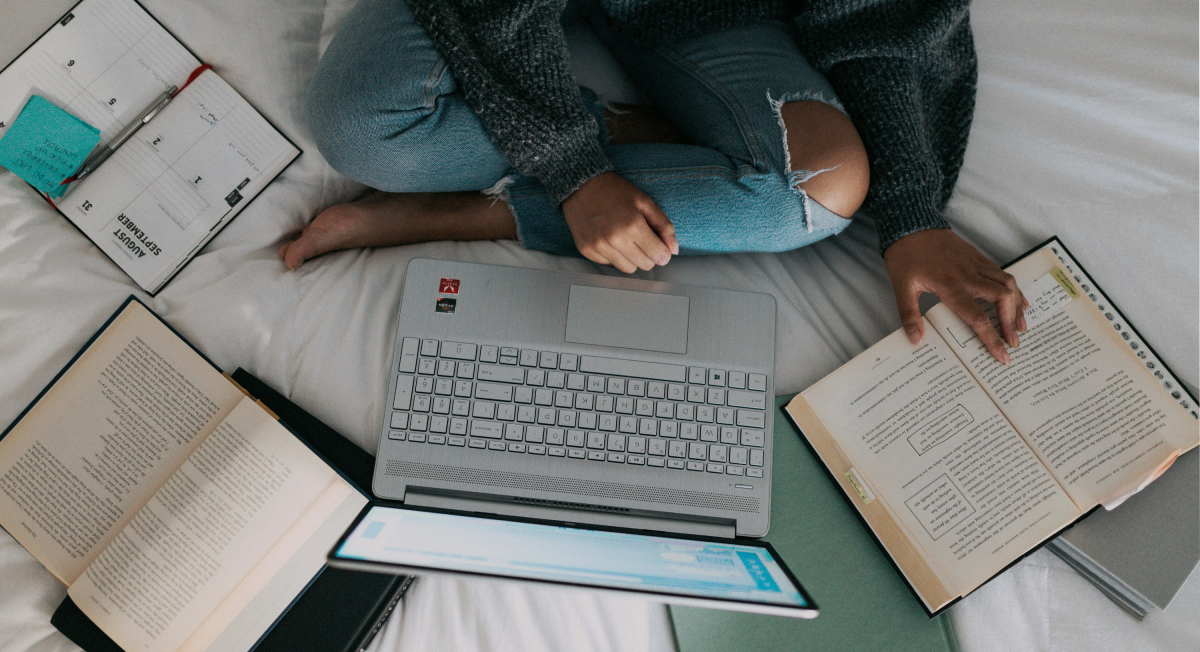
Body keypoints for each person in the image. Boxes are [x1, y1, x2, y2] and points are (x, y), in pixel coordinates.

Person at [282, 0, 1026, 363]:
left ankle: (471, 213)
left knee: (812, 193)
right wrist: (572, 167)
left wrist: (909, 214)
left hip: (703, 12)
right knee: (358, 128)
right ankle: (627, 138)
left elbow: (877, 14)